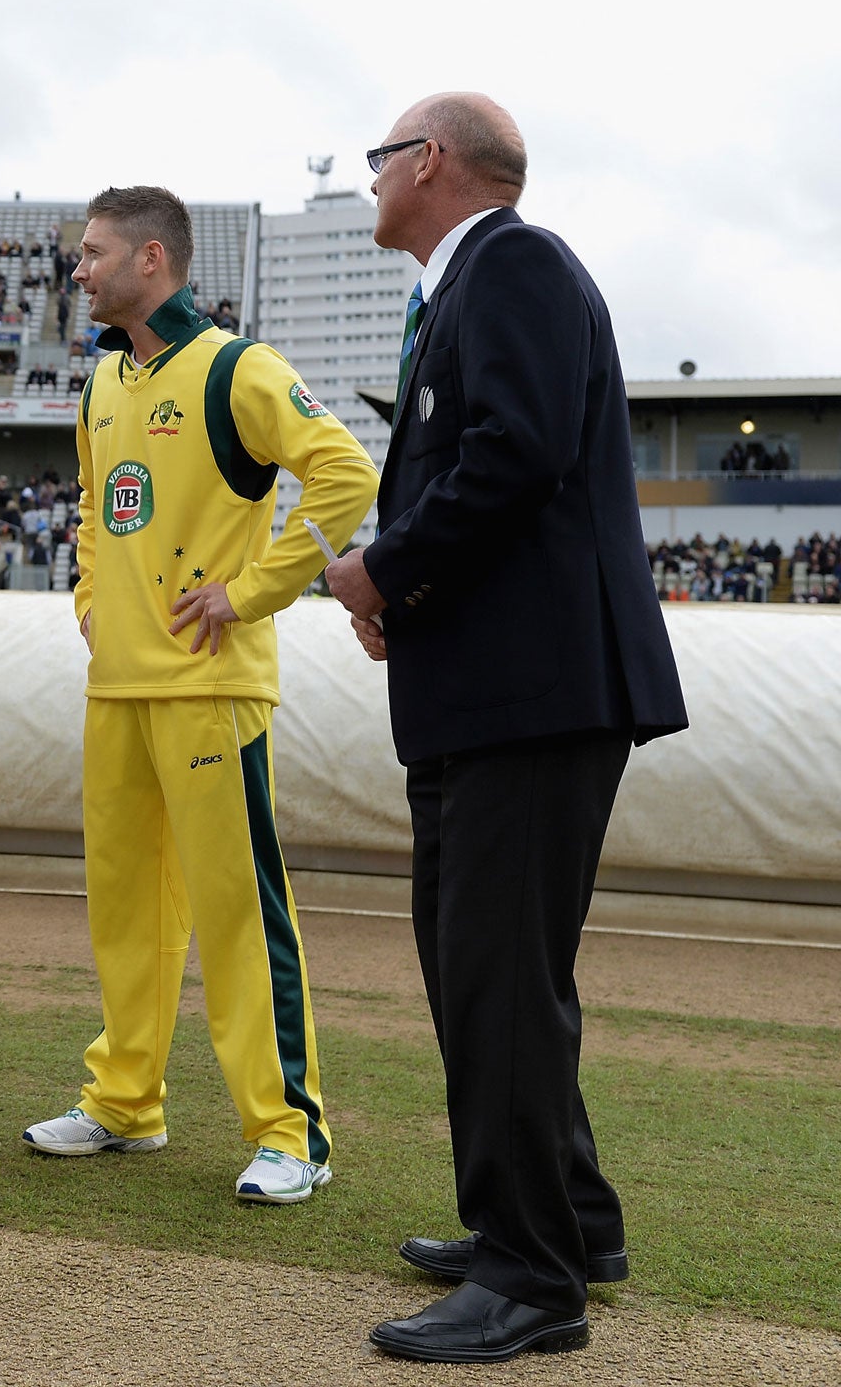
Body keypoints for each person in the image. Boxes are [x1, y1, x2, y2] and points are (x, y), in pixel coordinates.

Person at [324, 94, 687, 1364]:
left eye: (381, 159)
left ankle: (531, 1280)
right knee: (495, 976)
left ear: (427, 164)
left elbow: (513, 454)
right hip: (495, 689)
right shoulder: (471, 284)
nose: (372, 182)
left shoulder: (513, 263)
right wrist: (404, 595)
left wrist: (385, 569)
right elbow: (489, 470)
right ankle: (566, 1225)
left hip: (529, 699)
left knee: (495, 981)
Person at [20, 185, 378, 1203]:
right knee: (125, 909)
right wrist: (88, 595)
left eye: (92, 254)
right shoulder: (99, 383)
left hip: (210, 688)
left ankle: (287, 1134)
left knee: (234, 910)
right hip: (117, 686)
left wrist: (253, 591)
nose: (77, 269)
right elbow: (93, 507)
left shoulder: (236, 367)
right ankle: (124, 1104)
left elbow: (343, 473)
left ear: (149, 259)